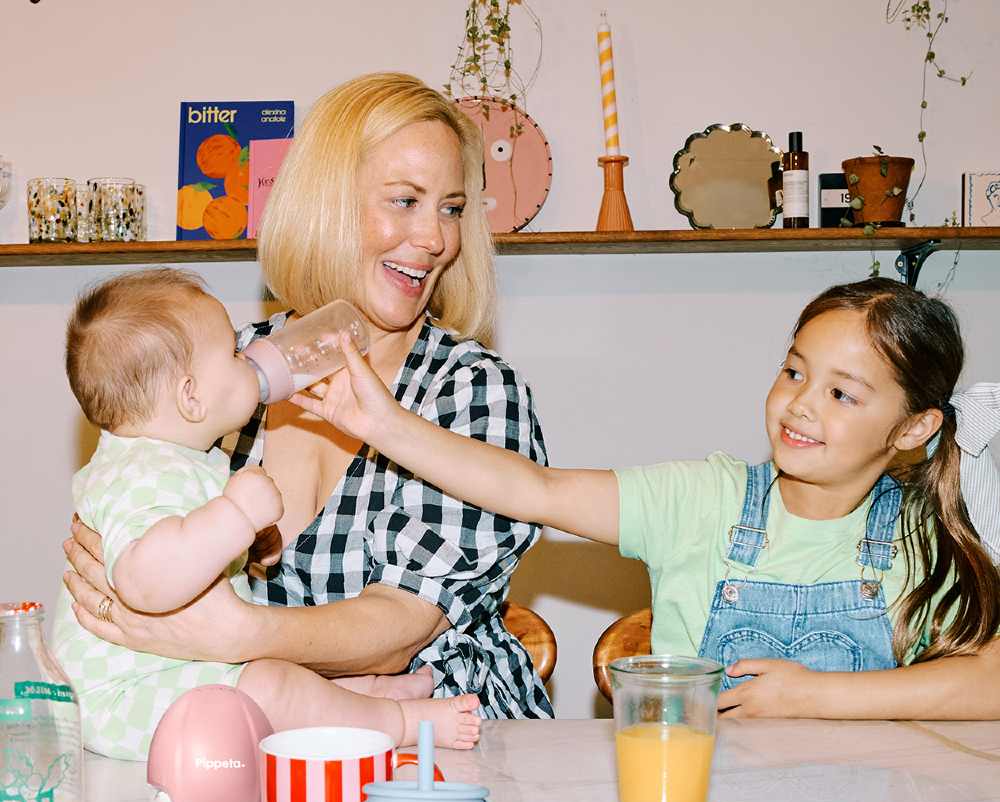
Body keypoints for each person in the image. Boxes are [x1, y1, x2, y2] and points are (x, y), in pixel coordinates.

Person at [61, 72, 553, 722]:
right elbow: (136, 521)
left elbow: (401, 630)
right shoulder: (224, 374)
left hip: (450, 738)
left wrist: (233, 633)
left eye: (452, 208)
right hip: (262, 741)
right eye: (405, 200)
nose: (436, 239)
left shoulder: (472, 393)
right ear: (324, 202)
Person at [296, 277, 1000, 720]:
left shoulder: (928, 533)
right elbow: (535, 488)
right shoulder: (702, 502)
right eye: (793, 371)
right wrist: (383, 423)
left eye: (841, 393)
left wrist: (815, 697)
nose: (799, 406)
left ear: (914, 426)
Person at [53, 268, 482, 760]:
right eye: (234, 355)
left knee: (273, 679)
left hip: (168, 672)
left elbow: (183, 546)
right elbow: (145, 581)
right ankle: (400, 722)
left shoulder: (176, 459)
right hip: (126, 700)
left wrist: (244, 542)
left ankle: (361, 700)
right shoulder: (141, 473)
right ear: (191, 397)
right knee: (268, 688)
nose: (248, 357)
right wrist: (235, 515)